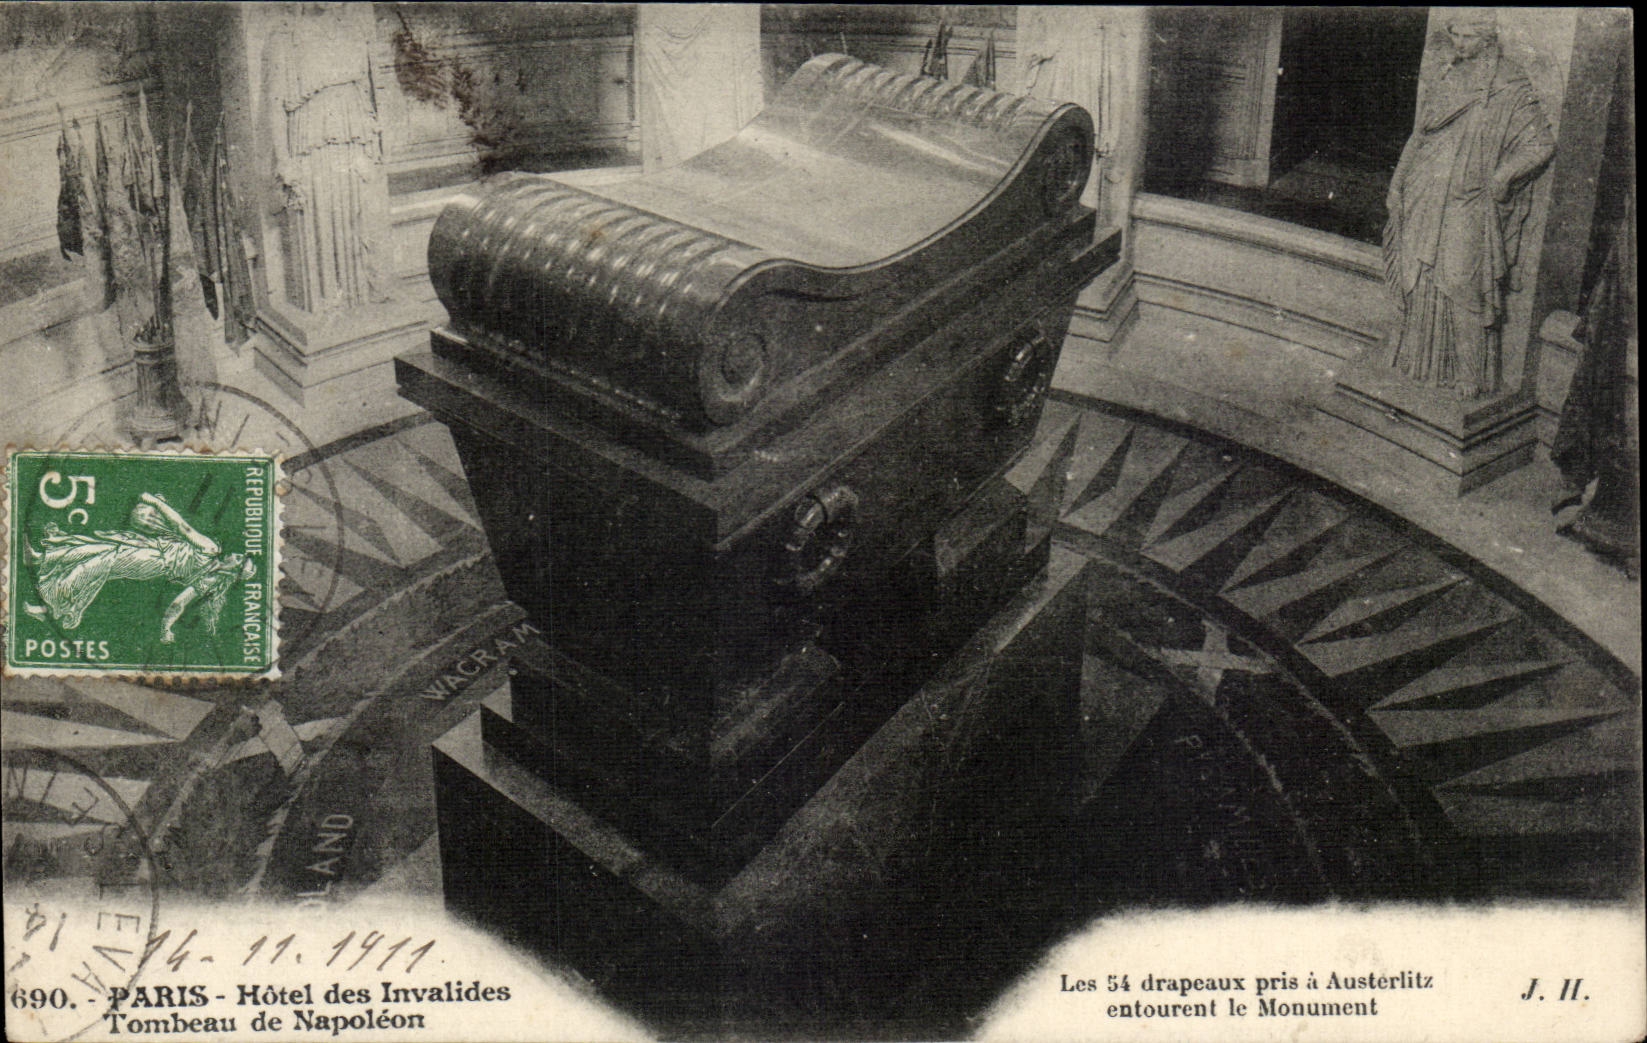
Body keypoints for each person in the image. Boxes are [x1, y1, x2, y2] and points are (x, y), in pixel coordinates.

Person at [1382, 11, 1555, 398]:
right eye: (1455, 35)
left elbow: (1541, 145)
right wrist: (1397, 184)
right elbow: (1419, 135)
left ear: (1487, 38)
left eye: (1467, 37)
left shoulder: (1507, 83)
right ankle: (1419, 360)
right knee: (1419, 275)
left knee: (1462, 282)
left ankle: (1470, 375)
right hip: (1424, 189)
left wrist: (1503, 175)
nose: (1459, 44)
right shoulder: (1446, 76)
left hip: (1469, 199)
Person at [23, 491, 255, 643]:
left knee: (101, 560)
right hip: (152, 548)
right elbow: (179, 603)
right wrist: (166, 628)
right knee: (99, 550)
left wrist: (157, 503)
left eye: (239, 559)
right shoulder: (209, 579)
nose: (236, 554)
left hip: (154, 560)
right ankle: (40, 560)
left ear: (235, 569)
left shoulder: (211, 551)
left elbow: (182, 528)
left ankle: (50, 605)